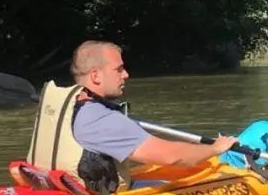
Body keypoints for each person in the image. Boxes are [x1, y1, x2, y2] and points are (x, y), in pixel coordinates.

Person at [69, 40, 237, 179]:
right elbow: (172, 157)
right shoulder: (104, 120)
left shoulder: (68, 106)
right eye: (119, 69)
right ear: (95, 76)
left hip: (77, 190)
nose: (126, 74)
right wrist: (215, 148)